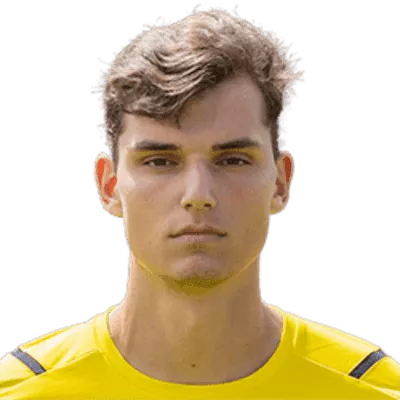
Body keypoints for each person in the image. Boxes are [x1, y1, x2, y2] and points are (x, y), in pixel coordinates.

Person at [1, 5, 399, 399]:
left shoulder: (373, 389)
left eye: (233, 160)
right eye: (160, 161)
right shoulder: (21, 390)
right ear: (109, 185)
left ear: (280, 182)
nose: (197, 195)